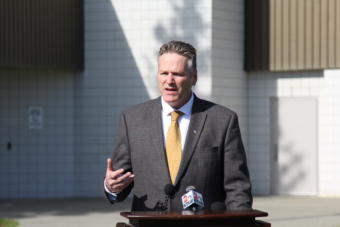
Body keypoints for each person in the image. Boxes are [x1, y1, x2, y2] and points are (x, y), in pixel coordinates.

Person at [104, 40, 252, 211]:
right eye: (163, 73)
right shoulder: (132, 119)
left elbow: (237, 188)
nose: (169, 81)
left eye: (177, 74)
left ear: (194, 77)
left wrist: (240, 221)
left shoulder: (223, 120)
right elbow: (121, 184)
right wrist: (112, 187)